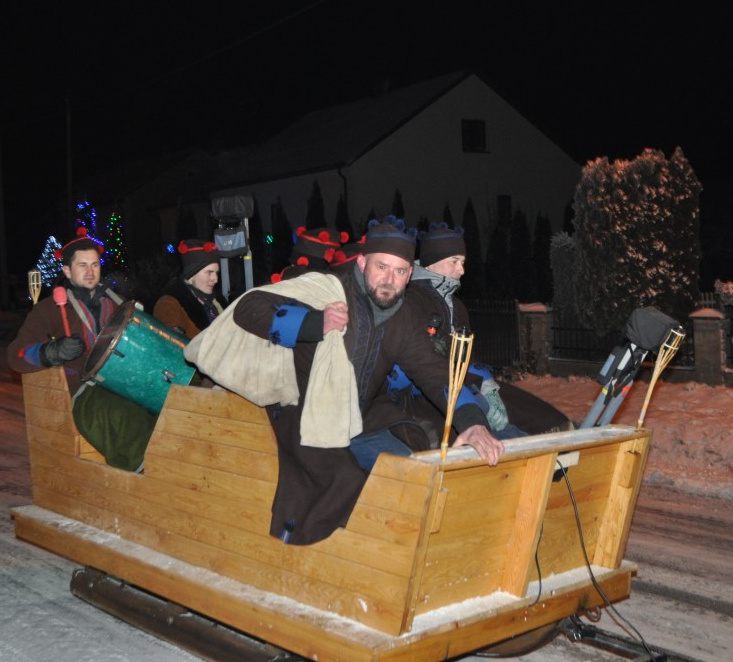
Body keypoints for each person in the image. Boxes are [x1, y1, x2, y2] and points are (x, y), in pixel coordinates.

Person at [186, 216, 503, 544]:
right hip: (303, 412)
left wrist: (473, 422)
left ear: (410, 275)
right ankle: (297, 557)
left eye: (399, 271)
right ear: (363, 262)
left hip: (359, 418)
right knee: (342, 481)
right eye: (382, 266)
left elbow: (435, 372)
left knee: (411, 472)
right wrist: (312, 322)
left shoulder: (405, 317)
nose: (388, 280)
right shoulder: (328, 288)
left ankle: (393, 552)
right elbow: (249, 308)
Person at [400, 222, 573, 436]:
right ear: (431, 263)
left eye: (463, 262)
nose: (461, 270)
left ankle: (558, 443)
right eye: (454, 262)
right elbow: (419, 365)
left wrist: (487, 384)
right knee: (503, 432)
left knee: (536, 415)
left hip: (465, 382)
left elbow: (470, 358)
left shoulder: (457, 306)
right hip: (427, 393)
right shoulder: (411, 300)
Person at [7, 228, 157, 472]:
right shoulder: (50, 309)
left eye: (95, 265)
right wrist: (53, 352)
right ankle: (146, 470)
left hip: (125, 381)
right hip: (83, 391)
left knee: (166, 405)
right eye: (82, 265)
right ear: (67, 271)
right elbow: (17, 355)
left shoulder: (118, 303)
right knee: (124, 413)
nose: (90, 272)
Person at [153, 240, 223, 337]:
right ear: (191, 275)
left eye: (216, 273)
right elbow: (171, 345)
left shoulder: (217, 301)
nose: (215, 279)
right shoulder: (169, 304)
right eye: (209, 273)